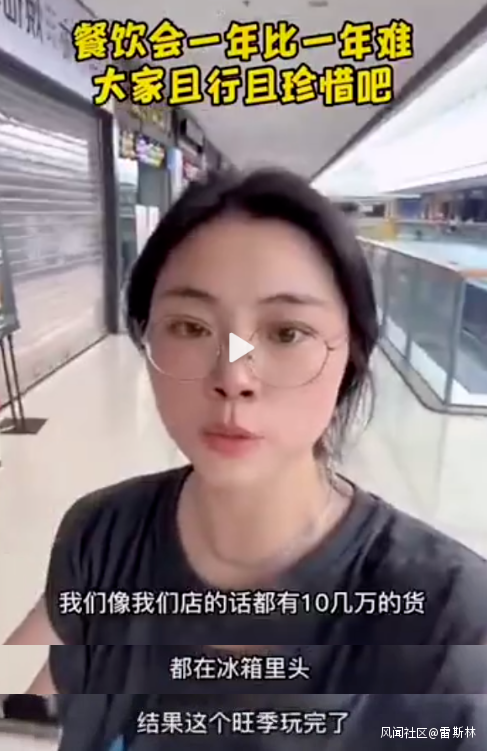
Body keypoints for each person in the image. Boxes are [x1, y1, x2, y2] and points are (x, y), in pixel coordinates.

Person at [5, 168, 487, 749]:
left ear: (353, 354)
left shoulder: (452, 621)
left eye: (286, 333)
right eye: (190, 327)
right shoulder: (99, 534)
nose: (233, 377)